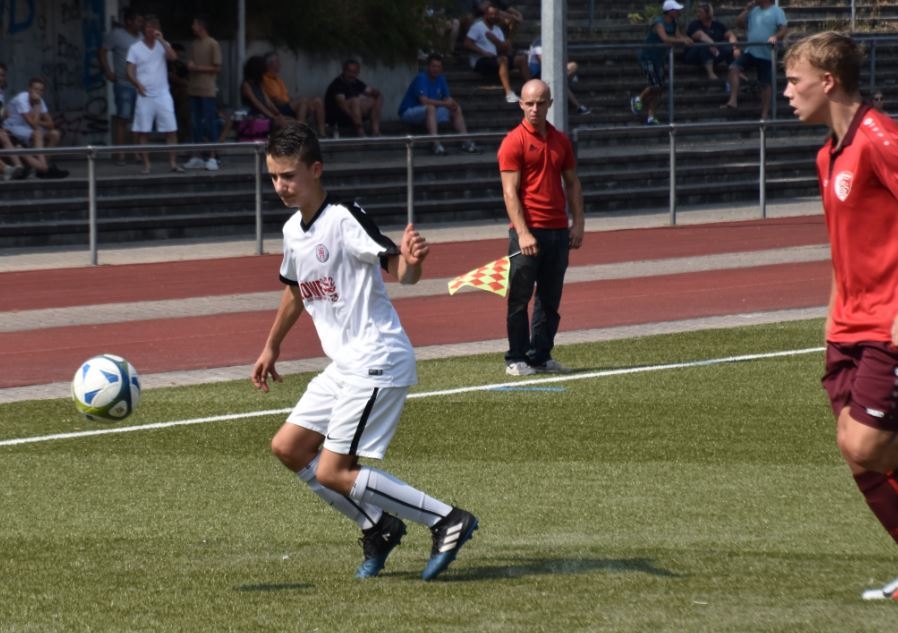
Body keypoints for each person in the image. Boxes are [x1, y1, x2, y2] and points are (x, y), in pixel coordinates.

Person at [252, 120, 478, 581]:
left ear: (316, 170)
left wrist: (412, 262)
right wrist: (271, 346)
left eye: (289, 175)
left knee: (334, 470)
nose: (280, 186)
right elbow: (295, 290)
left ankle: (447, 519)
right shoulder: (293, 230)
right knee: (289, 447)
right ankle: (378, 525)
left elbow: (399, 270)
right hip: (346, 365)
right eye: (273, 176)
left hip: (377, 358)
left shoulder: (343, 216)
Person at [783, 31, 898, 601]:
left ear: (827, 82)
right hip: (846, 329)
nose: (787, 92)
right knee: (857, 456)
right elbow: (844, 248)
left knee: (868, 445)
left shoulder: (881, 138)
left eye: (794, 81)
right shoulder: (826, 154)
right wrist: (832, 318)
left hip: (886, 325)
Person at [498, 79, 584, 376]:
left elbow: (572, 183)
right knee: (519, 297)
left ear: (550, 104)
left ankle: (541, 356)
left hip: (557, 231)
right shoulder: (513, 141)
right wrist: (523, 233)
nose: (535, 108)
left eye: (540, 103)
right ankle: (516, 357)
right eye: (529, 103)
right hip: (527, 231)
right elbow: (509, 192)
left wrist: (578, 223)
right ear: (521, 104)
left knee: (550, 299)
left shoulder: (561, 140)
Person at [126, 15, 184, 174]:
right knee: (143, 131)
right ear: (144, 29)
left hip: (163, 93)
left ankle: (173, 163)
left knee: (171, 129)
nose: (151, 30)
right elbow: (129, 71)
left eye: (154, 27)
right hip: (144, 95)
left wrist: (162, 40)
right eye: (148, 27)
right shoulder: (135, 48)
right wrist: (137, 83)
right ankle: (147, 165)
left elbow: (173, 57)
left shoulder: (162, 45)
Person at [398, 53, 480, 156]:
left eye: (438, 67)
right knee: (431, 108)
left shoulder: (441, 79)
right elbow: (424, 101)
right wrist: (445, 103)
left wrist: (453, 103)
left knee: (456, 109)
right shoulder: (421, 78)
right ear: (428, 66)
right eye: (433, 66)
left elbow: (447, 98)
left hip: (428, 112)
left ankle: (466, 142)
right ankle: (436, 144)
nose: (436, 69)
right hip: (409, 111)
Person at [721, 0, 788, 118]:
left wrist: (775, 36)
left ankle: (765, 114)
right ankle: (733, 100)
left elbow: (783, 29)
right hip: (751, 51)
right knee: (733, 68)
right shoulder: (753, 11)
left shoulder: (777, 11)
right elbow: (739, 23)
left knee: (765, 84)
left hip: (767, 53)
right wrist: (747, 9)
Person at [630, 0, 692, 126]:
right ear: (670, 12)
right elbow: (665, 38)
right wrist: (681, 41)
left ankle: (651, 116)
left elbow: (678, 36)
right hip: (648, 58)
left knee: (660, 88)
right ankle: (639, 98)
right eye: (676, 10)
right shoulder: (659, 22)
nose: (678, 12)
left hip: (660, 59)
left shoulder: (674, 23)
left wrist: (686, 39)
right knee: (655, 85)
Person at [98, 8, 143, 164]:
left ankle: (137, 153)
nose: (140, 24)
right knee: (122, 119)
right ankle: (120, 154)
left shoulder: (142, 37)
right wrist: (108, 72)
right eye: (138, 21)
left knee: (138, 120)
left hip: (140, 85)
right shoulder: (116, 34)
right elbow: (102, 52)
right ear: (129, 21)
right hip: (123, 84)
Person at [2, 77, 69, 179]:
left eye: (41, 90)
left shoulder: (39, 100)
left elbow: (51, 124)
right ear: (29, 89)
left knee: (55, 134)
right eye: (35, 89)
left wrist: (38, 119)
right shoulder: (22, 99)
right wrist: (37, 106)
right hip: (13, 126)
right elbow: (33, 125)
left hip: (26, 128)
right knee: (37, 132)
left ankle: (40, 167)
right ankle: (44, 167)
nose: (38, 92)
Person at [464, 3, 531, 104]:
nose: (494, 16)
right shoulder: (477, 27)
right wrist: (483, 52)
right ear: (485, 15)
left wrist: (496, 40)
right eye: (491, 14)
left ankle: (531, 88)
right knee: (503, 60)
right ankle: (508, 93)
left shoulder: (497, 29)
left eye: (496, 14)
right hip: (480, 61)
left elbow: (504, 49)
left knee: (521, 59)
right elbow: (467, 43)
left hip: (494, 59)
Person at [183, 15, 222, 171]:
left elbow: (217, 68)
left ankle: (213, 157)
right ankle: (197, 156)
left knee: (210, 123)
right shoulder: (194, 44)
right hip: (194, 88)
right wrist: (189, 65)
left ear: (201, 26)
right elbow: (190, 62)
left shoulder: (213, 44)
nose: (192, 27)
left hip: (207, 90)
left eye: (194, 24)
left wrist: (197, 68)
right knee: (195, 123)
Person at [261, 52, 326, 137]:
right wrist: (293, 103)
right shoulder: (265, 79)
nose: (280, 64)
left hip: (288, 105)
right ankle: (300, 134)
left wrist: (293, 102)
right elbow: (276, 101)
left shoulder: (278, 79)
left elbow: (287, 96)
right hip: (279, 108)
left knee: (317, 101)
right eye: (278, 62)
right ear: (271, 64)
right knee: (303, 101)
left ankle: (322, 133)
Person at [527, 37, 590, 115]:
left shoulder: (555, 42)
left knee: (572, 66)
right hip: (539, 74)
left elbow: (563, 59)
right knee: (560, 82)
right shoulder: (538, 43)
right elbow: (544, 64)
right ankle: (578, 106)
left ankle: (565, 81)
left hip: (552, 71)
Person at [324, 59, 383, 137]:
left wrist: (377, 97)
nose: (352, 74)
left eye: (355, 72)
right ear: (344, 71)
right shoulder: (337, 84)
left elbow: (371, 91)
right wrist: (355, 119)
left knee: (375, 99)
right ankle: (360, 131)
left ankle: (376, 131)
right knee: (355, 101)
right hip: (338, 115)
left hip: (354, 112)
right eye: (349, 71)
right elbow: (342, 105)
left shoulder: (356, 82)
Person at [682, 3, 739, 80]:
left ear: (708, 13)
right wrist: (712, 44)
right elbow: (699, 34)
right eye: (697, 12)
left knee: (729, 48)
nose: (698, 14)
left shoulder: (718, 25)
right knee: (704, 46)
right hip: (693, 54)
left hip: (714, 53)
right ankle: (711, 74)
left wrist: (735, 48)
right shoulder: (694, 24)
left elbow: (730, 35)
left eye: (700, 12)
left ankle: (735, 72)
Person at [0, 62, 28, 180]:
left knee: (4, 136)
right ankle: (6, 170)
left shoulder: (1, 93)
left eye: (2, 75)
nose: (1, 78)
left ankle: (19, 168)